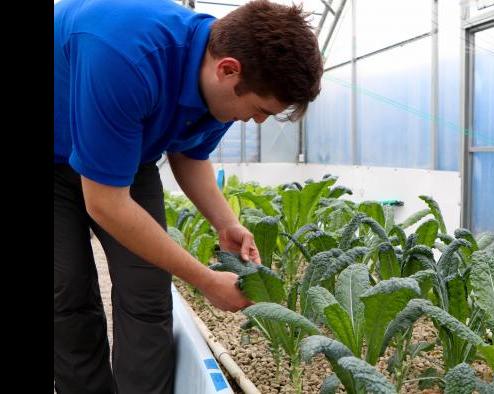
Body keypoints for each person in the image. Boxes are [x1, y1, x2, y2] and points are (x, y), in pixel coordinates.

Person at [53, 0, 323, 392]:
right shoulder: (127, 58)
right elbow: (106, 203)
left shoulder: (222, 78)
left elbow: (190, 154)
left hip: (129, 149)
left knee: (147, 291)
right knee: (68, 291)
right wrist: (206, 280)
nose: (259, 121)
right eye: (261, 109)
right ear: (228, 70)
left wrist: (226, 222)